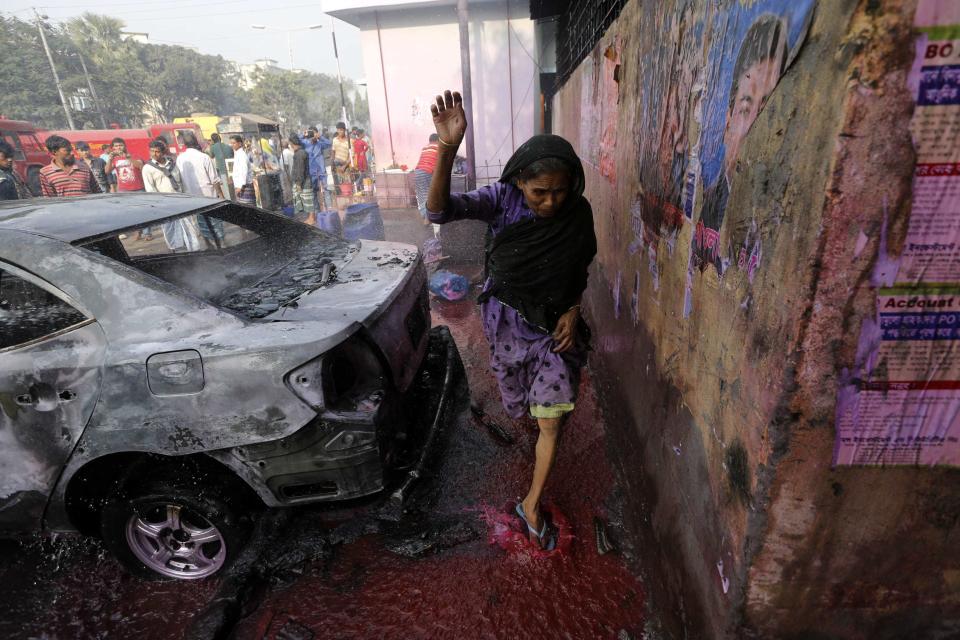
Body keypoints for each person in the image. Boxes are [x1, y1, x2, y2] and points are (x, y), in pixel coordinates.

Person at [426, 90, 597, 551]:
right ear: (520, 183)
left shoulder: (578, 215)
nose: (551, 203)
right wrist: (448, 149)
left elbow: (578, 268)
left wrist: (574, 307)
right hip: (504, 322)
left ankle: (532, 502)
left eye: (560, 191)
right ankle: (530, 432)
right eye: (540, 192)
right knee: (519, 407)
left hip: (554, 330)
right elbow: (439, 211)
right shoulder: (501, 200)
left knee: (552, 420)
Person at [693, 14, 786, 274]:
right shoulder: (711, 206)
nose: (755, 128)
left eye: (768, 109)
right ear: (727, 123)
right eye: (746, 109)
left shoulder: (781, 220)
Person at [143, 138, 201, 252]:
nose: (154, 154)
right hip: (166, 205)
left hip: (180, 201)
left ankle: (194, 251)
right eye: (152, 151)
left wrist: (188, 198)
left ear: (163, 152)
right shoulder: (148, 168)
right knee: (171, 231)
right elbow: (151, 189)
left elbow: (182, 182)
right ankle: (177, 253)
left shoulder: (172, 164)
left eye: (157, 151)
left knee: (189, 228)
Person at [104, 137, 149, 239]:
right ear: (113, 148)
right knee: (131, 213)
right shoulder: (114, 159)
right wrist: (110, 159)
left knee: (144, 211)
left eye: (120, 145)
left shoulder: (133, 155)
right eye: (116, 146)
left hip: (138, 187)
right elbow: (107, 171)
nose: (118, 147)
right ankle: (137, 231)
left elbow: (140, 166)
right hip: (124, 189)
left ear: (124, 146)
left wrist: (128, 158)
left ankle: (147, 233)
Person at [176, 133, 224, 199]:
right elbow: (214, 180)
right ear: (196, 142)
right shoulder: (204, 157)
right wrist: (221, 195)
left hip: (191, 198)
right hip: (209, 196)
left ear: (185, 144)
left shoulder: (179, 158)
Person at [299, 127, 331, 210]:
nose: (313, 136)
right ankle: (317, 210)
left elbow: (329, 143)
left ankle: (329, 208)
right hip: (311, 172)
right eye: (311, 134)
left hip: (321, 171)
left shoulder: (319, 144)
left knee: (326, 189)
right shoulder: (305, 143)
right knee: (313, 191)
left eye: (314, 134)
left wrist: (320, 137)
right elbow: (296, 141)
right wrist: (303, 134)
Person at [288, 134, 315, 224]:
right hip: (304, 179)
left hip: (304, 180)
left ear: (292, 144)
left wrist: (299, 183)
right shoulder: (300, 152)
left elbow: (300, 169)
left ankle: (312, 218)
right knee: (306, 199)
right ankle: (310, 217)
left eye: (290, 144)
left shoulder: (300, 154)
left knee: (308, 199)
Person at [413, 134, 440, 225]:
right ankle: (429, 218)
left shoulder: (425, 148)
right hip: (427, 172)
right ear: (437, 140)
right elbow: (438, 163)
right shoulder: (438, 147)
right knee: (431, 194)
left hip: (417, 172)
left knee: (421, 194)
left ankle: (424, 214)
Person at [230, 135, 255, 205]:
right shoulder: (238, 154)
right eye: (231, 143)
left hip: (244, 186)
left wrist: (240, 186)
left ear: (240, 143)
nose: (232, 145)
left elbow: (243, 171)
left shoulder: (242, 155)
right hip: (242, 186)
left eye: (234, 143)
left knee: (248, 207)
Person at [331, 121, 351, 187]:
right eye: (338, 130)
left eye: (341, 130)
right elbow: (333, 152)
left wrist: (344, 166)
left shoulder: (349, 141)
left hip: (345, 166)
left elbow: (351, 156)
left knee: (347, 184)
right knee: (338, 185)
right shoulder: (334, 140)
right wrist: (332, 164)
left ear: (344, 130)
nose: (340, 132)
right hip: (336, 165)